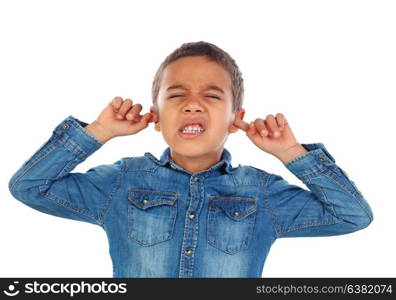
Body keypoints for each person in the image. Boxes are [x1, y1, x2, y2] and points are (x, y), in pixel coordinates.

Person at [8, 41, 373, 278]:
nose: (192, 103)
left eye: (211, 96)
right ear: (156, 116)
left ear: (235, 118)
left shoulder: (262, 192)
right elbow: (29, 187)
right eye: (177, 94)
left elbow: (352, 216)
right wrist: (99, 131)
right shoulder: (122, 182)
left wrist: (291, 154)